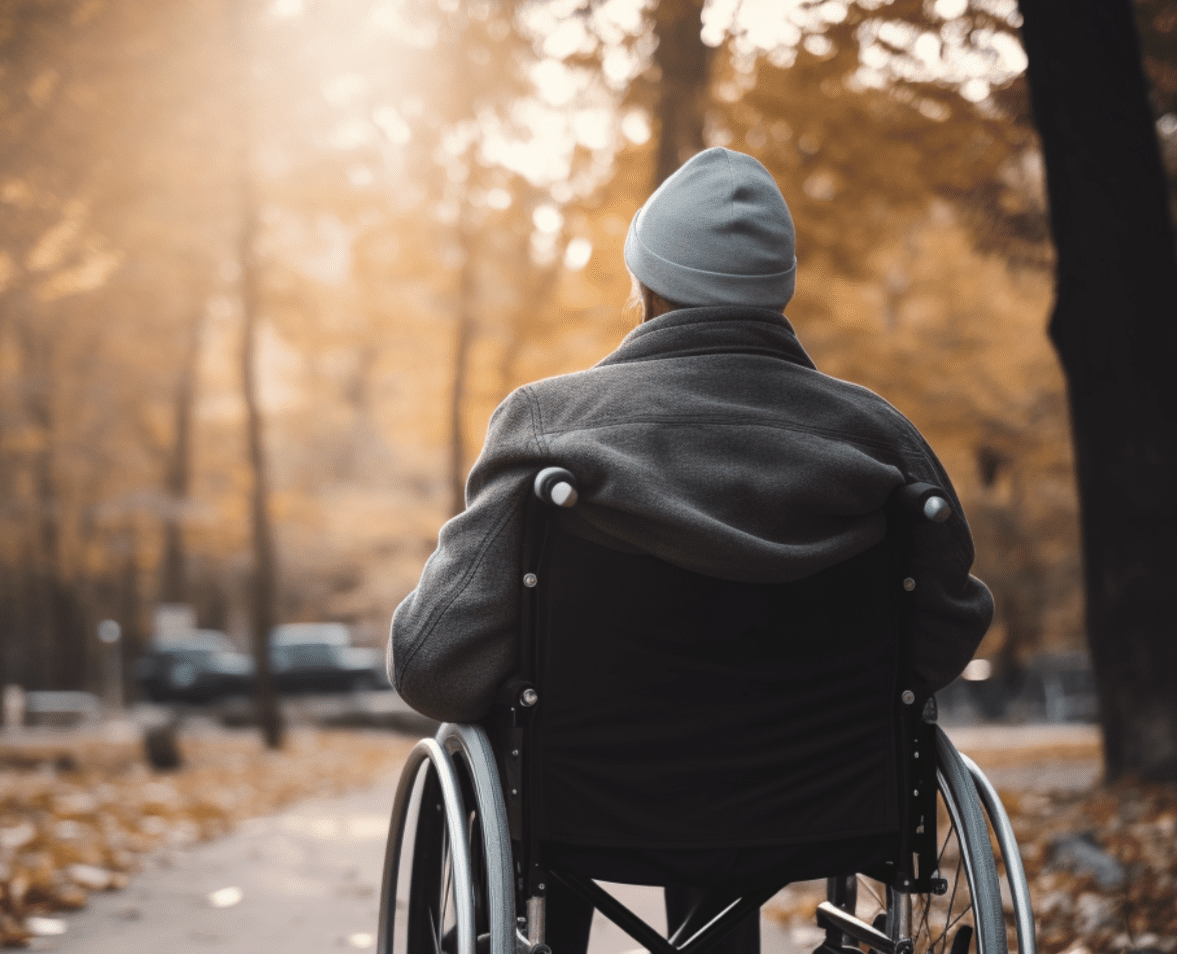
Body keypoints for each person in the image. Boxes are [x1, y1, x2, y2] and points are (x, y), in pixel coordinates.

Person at [388, 147, 993, 952]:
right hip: (824, 802)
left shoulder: (547, 427)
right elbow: (941, 640)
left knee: (517, 729)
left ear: (645, 284)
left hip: (583, 802)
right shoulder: (880, 442)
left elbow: (431, 664)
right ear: (777, 290)